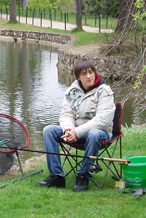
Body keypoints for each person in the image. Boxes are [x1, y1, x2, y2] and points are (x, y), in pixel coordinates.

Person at [37, 59, 115, 191]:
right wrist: (68, 129)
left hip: (99, 134)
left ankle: (84, 175)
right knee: (49, 130)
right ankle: (56, 176)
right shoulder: (71, 91)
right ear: (78, 77)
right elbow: (67, 114)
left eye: (91, 72)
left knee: (94, 133)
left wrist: (76, 132)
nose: (89, 76)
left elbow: (103, 120)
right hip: (75, 133)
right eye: (84, 74)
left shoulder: (104, 91)